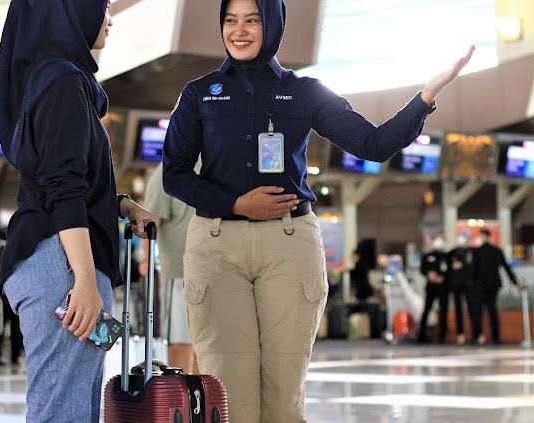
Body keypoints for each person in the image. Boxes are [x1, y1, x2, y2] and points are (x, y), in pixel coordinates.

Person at [163, 0, 474, 420]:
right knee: (229, 393)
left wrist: (425, 97)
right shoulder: (199, 93)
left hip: (289, 245)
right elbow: (175, 174)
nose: (239, 30)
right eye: (230, 20)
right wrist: (236, 203)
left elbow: (374, 145)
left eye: (252, 20)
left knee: (283, 393)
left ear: (272, 25)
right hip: (218, 245)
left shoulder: (306, 92)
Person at [0, 1, 156, 421]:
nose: (108, 18)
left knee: (74, 411)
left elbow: (65, 181)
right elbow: (62, 188)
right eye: (100, 6)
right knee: (61, 413)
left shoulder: (58, 79)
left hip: (59, 261)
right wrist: (84, 279)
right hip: (64, 267)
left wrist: (121, 205)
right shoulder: (62, 82)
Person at [145, 164, 199, 373]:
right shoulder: (165, 172)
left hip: (215, 273)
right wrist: (148, 263)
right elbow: (149, 223)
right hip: (179, 274)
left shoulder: (214, 163)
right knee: (181, 342)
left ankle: (201, 400)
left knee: (206, 345)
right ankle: (180, 400)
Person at [471, 228, 522, 345]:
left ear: (485, 236)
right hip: (493, 285)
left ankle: (477, 336)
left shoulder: (477, 251)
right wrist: (515, 282)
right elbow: (506, 267)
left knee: (479, 311)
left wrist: (471, 283)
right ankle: (495, 337)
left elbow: (473, 270)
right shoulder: (497, 251)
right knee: (491, 311)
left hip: (480, 286)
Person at [0, 228, 24, 366]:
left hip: (6, 294)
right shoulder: (7, 250)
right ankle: (7, 355)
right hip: (11, 294)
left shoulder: (2, 251)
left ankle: (6, 355)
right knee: (7, 326)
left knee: (9, 327)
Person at [418, 235, 450, 343]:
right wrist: (429, 274)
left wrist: (442, 277)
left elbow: (449, 270)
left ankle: (442, 336)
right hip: (431, 287)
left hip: (443, 287)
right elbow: (422, 269)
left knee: (443, 311)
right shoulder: (427, 256)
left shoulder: (445, 256)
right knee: (426, 309)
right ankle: (421, 335)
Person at [448, 234, 474, 345]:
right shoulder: (451, 253)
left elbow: (473, 266)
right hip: (456, 285)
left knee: (471, 309)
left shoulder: (470, 252)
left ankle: (475, 333)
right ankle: (460, 334)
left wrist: (462, 264)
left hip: (468, 285)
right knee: (458, 310)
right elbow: (446, 268)